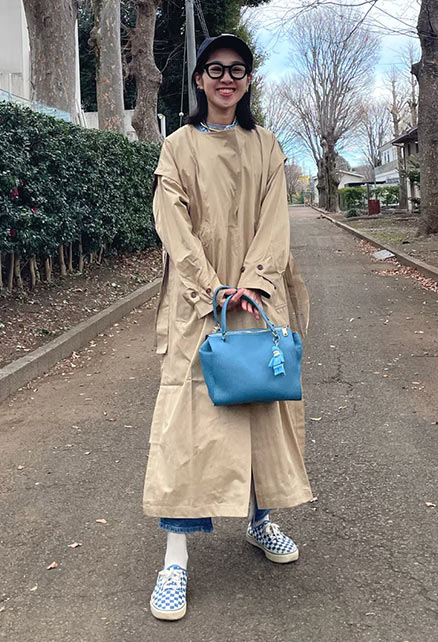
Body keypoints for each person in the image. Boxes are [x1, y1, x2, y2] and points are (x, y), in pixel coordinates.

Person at [143, 33, 312, 621]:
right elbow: (172, 220)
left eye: (237, 69)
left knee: (260, 410)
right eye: (215, 69)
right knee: (188, 426)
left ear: (248, 81)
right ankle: (175, 560)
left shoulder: (266, 145)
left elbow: (274, 221)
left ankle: (260, 520)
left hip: (256, 300)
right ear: (198, 80)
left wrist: (255, 280)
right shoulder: (177, 147)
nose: (226, 78)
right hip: (199, 305)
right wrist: (208, 285)